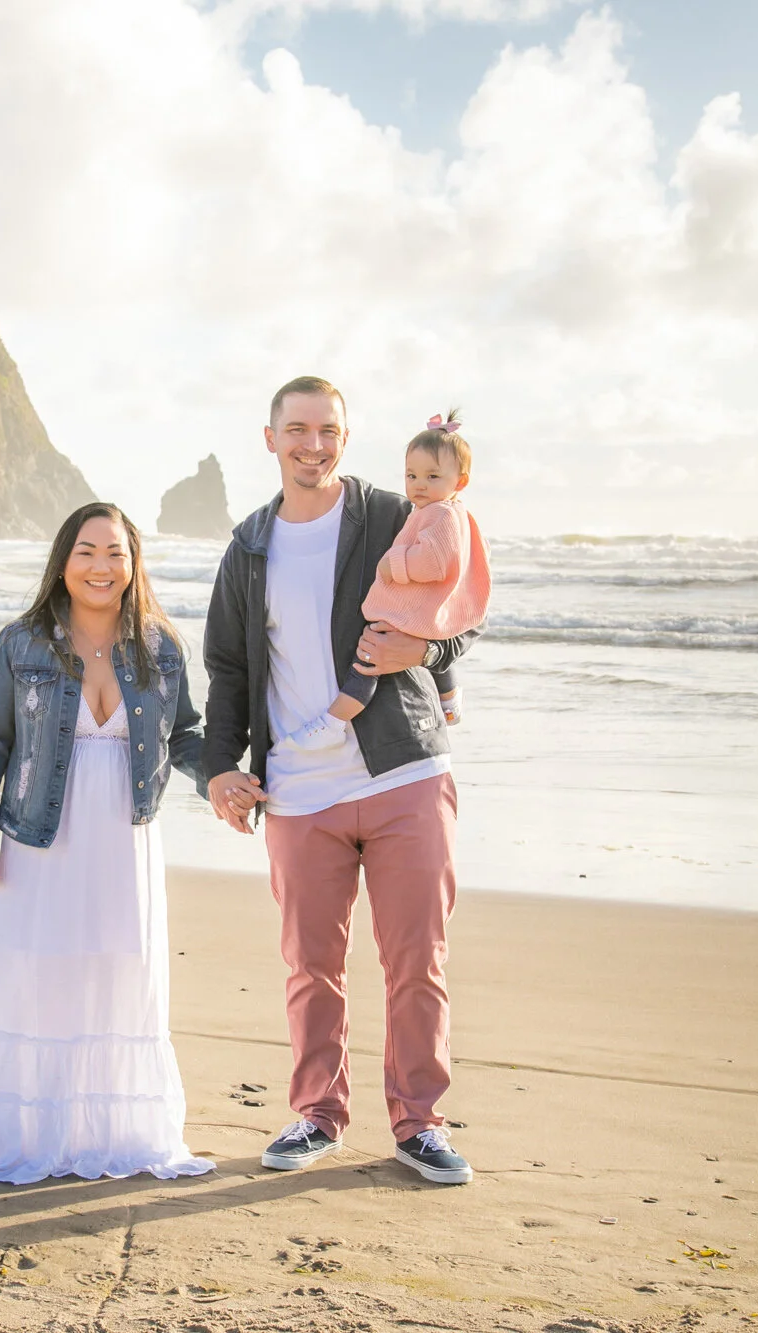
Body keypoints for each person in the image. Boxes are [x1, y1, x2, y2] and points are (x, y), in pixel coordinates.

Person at [200, 376, 480, 1185]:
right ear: (271, 438)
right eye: (297, 429)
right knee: (310, 966)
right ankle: (318, 1114)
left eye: (327, 429)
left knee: (416, 960)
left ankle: (420, 1124)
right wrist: (221, 766)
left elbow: (462, 609)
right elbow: (228, 667)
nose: (312, 444)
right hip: (298, 788)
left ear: (344, 439)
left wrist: (422, 652)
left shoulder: (396, 515)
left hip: (403, 769)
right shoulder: (250, 546)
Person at [0, 502, 214, 1184]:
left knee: (119, 969)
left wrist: (222, 779)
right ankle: (36, 1132)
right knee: (43, 972)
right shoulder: (22, 643)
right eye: (88, 552)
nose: (102, 566)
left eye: (116, 553)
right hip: (43, 835)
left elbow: (184, 734)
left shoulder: (160, 646)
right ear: (64, 561)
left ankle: (115, 1132)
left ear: (134, 564)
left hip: (127, 836)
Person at [283, 410, 489, 747]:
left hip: (407, 610)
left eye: (433, 476)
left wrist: (392, 564)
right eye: (411, 475)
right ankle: (449, 700)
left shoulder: (441, 514)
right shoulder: (443, 511)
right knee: (432, 635)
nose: (419, 484)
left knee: (367, 663)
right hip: (426, 611)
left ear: (460, 481)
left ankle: (335, 720)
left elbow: (433, 563)